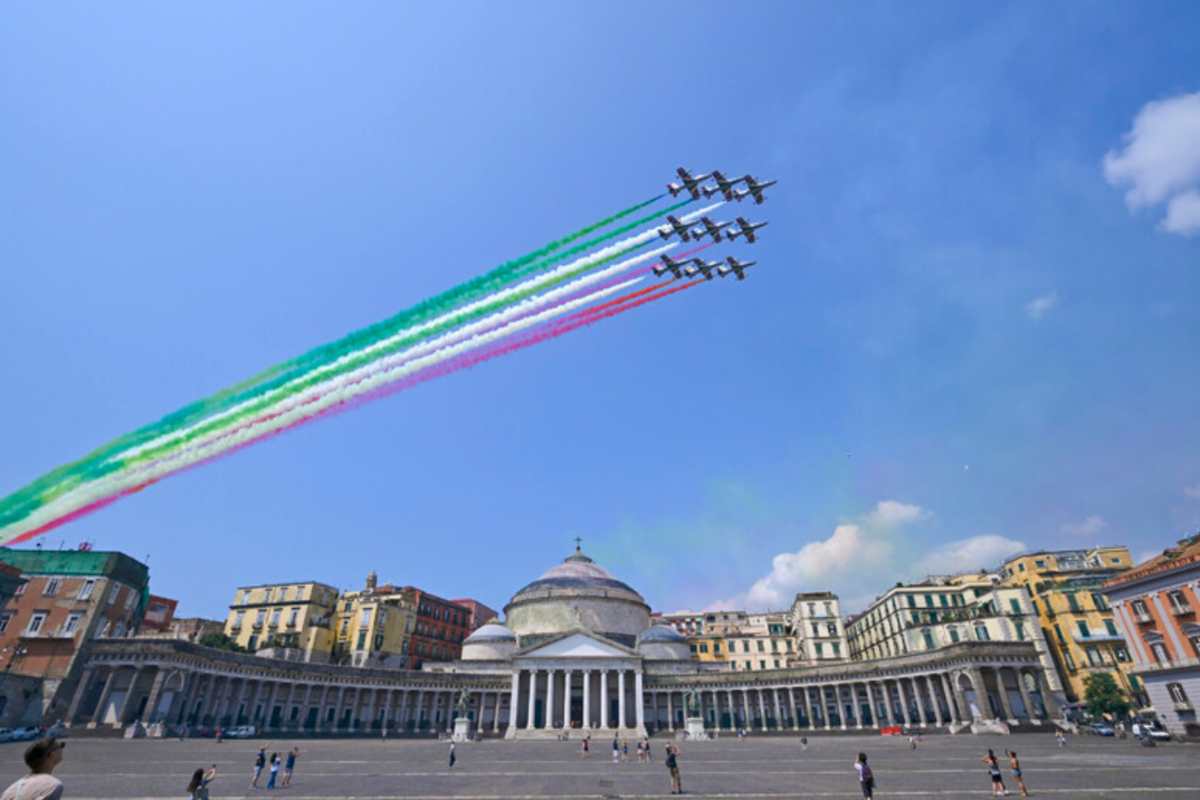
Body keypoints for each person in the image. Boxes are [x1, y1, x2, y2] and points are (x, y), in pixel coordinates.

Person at [1, 738, 66, 800]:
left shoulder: (10, 790)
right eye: (61, 746)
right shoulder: (53, 786)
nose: (62, 748)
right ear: (51, 755)